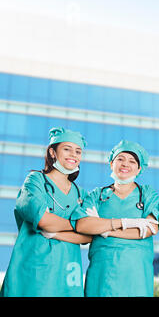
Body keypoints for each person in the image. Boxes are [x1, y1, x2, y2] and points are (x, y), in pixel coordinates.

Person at [0, 127, 91, 297]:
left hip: (68, 273)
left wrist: (55, 233)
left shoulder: (81, 194)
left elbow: (89, 235)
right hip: (34, 269)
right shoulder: (35, 181)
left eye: (78, 151)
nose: (74, 155)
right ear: (52, 152)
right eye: (67, 149)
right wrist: (79, 225)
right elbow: (42, 220)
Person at [72, 140, 159, 297]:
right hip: (102, 272)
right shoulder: (97, 195)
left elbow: (149, 229)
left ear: (139, 169)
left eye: (132, 161)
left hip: (136, 274)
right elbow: (82, 225)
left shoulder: (147, 194)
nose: (125, 164)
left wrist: (104, 229)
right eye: (120, 159)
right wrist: (126, 224)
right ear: (111, 163)